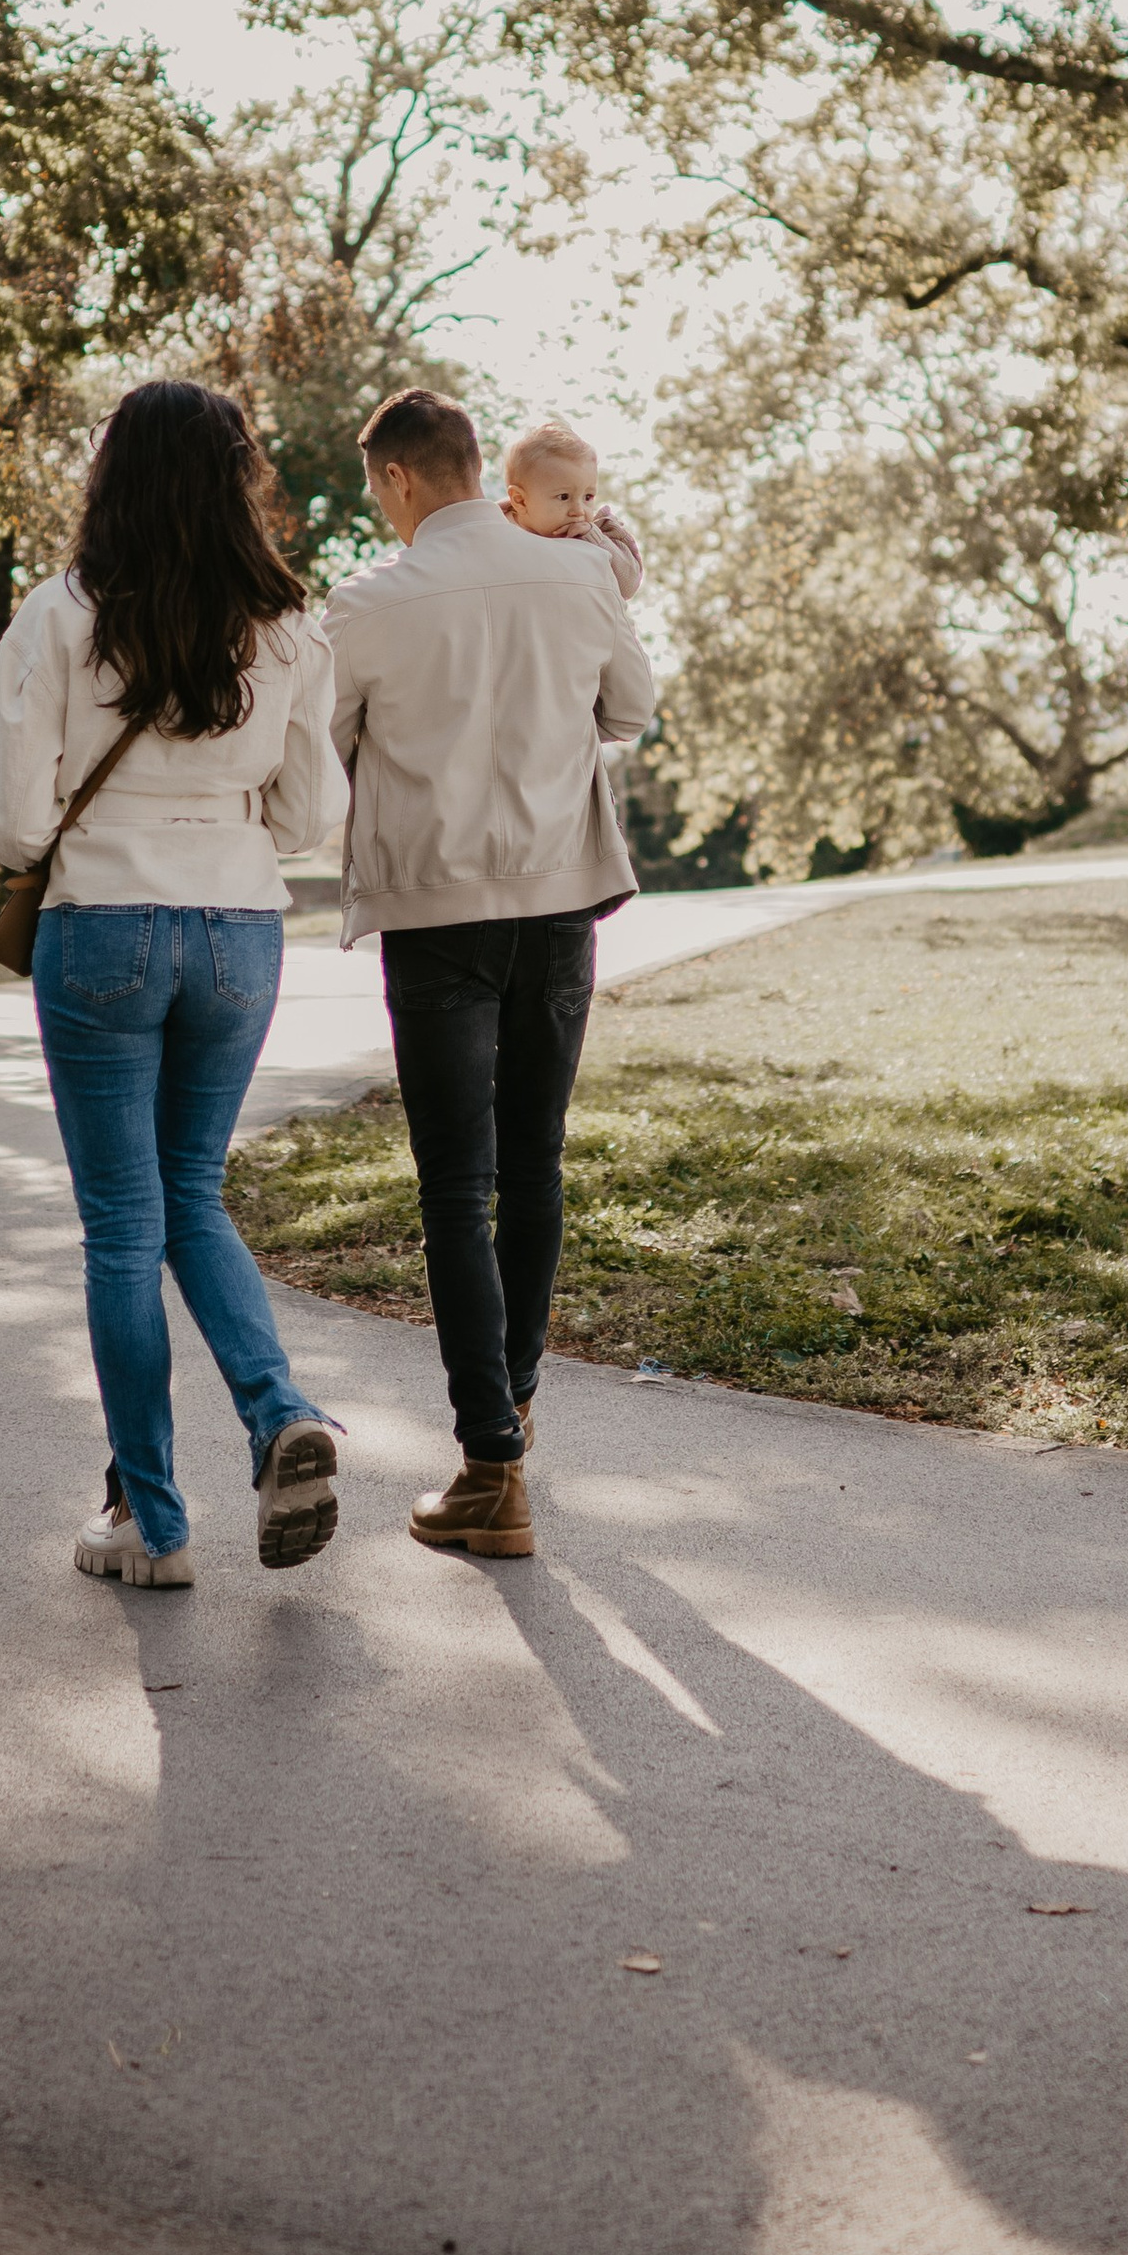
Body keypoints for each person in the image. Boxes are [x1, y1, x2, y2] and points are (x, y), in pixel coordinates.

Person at [0, 380, 348, 1589]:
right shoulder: (286, 622)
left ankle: (155, 1528)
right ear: (238, 477)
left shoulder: (65, 612)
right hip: (237, 924)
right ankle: (277, 1409)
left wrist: (64, 843)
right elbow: (312, 808)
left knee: (124, 1225)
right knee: (193, 1193)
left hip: (102, 925)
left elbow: (12, 806)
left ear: (111, 475)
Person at [325, 386, 657, 1559]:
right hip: (561, 900)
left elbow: (322, 754)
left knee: (453, 1186)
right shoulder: (579, 574)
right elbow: (632, 709)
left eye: (377, 485)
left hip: (437, 911)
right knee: (534, 1166)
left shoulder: (366, 602)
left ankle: (490, 1466)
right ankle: (508, 1416)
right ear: (482, 468)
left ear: (401, 478)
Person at [498, 416, 644, 600]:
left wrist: (595, 539)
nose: (579, 510)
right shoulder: (494, 527)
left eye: (588, 497)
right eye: (564, 497)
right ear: (520, 501)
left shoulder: (595, 535)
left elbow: (628, 586)